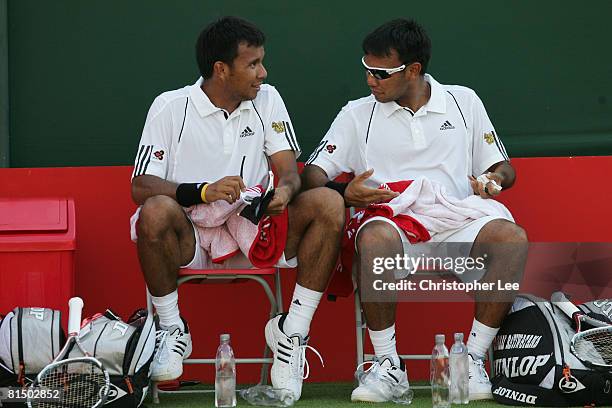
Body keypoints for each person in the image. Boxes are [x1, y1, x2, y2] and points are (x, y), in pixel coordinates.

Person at [303, 19, 528, 402]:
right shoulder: (357, 114)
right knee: (373, 238)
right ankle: (388, 366)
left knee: (511, 238)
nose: (370, 80)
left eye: (380, 73)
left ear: (413, 70)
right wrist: (345, 191)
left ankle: (471, 361)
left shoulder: (464, 100)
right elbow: (311, 176)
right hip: (394, 226)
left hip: (455, 222)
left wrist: (493, 182)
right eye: (366, 69)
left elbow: (503, 167)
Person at [130, 16, 344, 398]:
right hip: (190, 238)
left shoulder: (268, 98)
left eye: (262, 62)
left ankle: (291, 332)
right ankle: (171, 328)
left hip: (255, 231)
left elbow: (287, 170)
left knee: (328, 202)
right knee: (154, 211)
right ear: (221, 69)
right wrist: (204, 192)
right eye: (253, 64)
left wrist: (284, 192)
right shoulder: (169, 106)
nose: (263, 72)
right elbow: (141, 185)